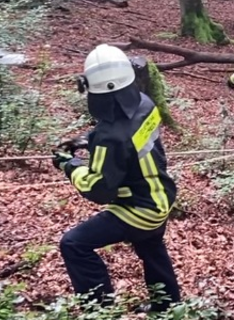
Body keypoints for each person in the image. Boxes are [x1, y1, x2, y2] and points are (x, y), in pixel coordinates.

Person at [54, 45, 180, 312]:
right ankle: (168, 306)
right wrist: (86, 140)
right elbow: (128, 135)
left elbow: (100, 190)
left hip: (138, 208)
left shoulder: (109, 137)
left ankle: (100, 310)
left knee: (74, 244)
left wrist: (69, 165)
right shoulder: (146, 103)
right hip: (162, 197)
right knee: (150, 244)